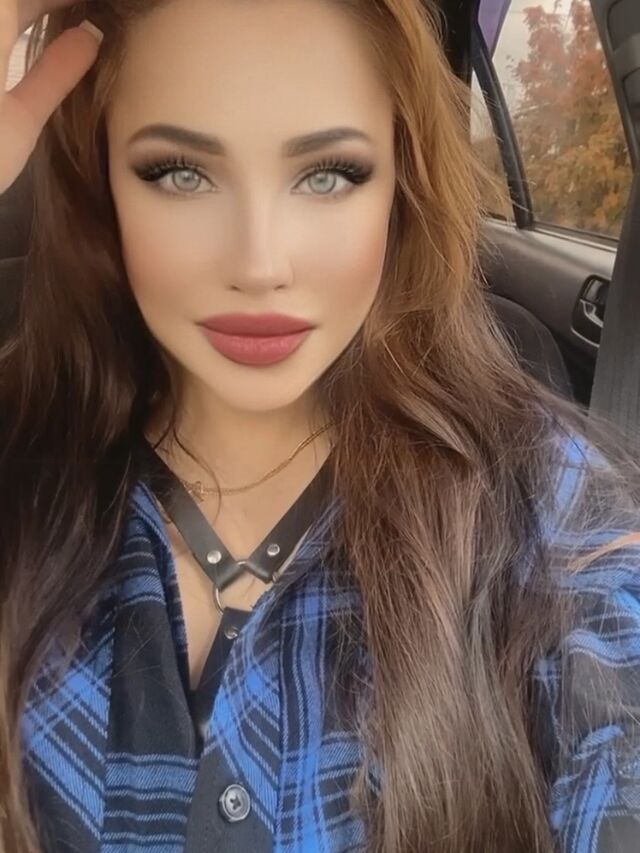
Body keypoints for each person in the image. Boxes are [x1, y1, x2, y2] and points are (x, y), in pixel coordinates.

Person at [1, 0, 640, 850]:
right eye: (180, 173)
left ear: (402, 181)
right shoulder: (19, 464)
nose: (260, 263)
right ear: (100, 179)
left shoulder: (549, 512)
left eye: (330, 173)